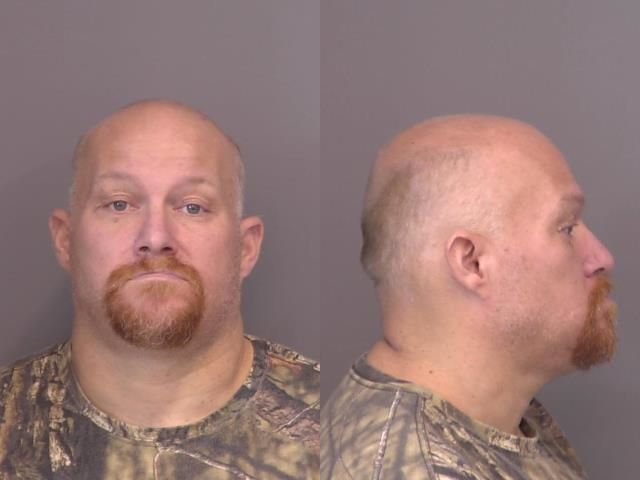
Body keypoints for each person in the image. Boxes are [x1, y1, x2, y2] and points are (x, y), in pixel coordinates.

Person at [0, 100, 319, 479]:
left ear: (245, 248)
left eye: (192, 207)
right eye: (119, 204)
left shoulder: (333, 429)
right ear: (66, 240)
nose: (155, 237)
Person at [321, 114, 616, 479]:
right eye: (567, 228)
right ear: (472, 263)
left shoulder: (493, 419)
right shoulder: (418, 469)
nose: (602, 258)